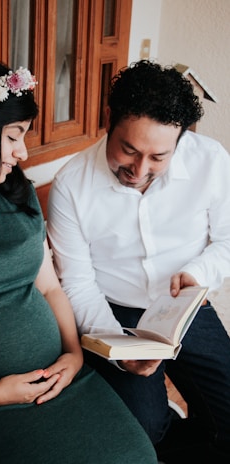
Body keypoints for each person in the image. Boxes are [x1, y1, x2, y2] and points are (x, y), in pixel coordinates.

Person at [0, 59, 158, 464]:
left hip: (65, 379)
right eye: (13, 136)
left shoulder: (17, 197)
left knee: (137, 454)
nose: (22, 152)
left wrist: (72, 356)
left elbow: (49, 286)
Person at [47, 60, 230, 463]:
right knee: (144, 430)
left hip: (185, 306)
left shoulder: (211, 161)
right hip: (114, 311)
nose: (139, 170)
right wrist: (116, 345)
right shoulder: (71, 186)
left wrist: (198, 273)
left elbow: (227, 241)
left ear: (180, 139)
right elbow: (77, 283)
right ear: (109, 118)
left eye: (158, 157)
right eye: (128, 150)